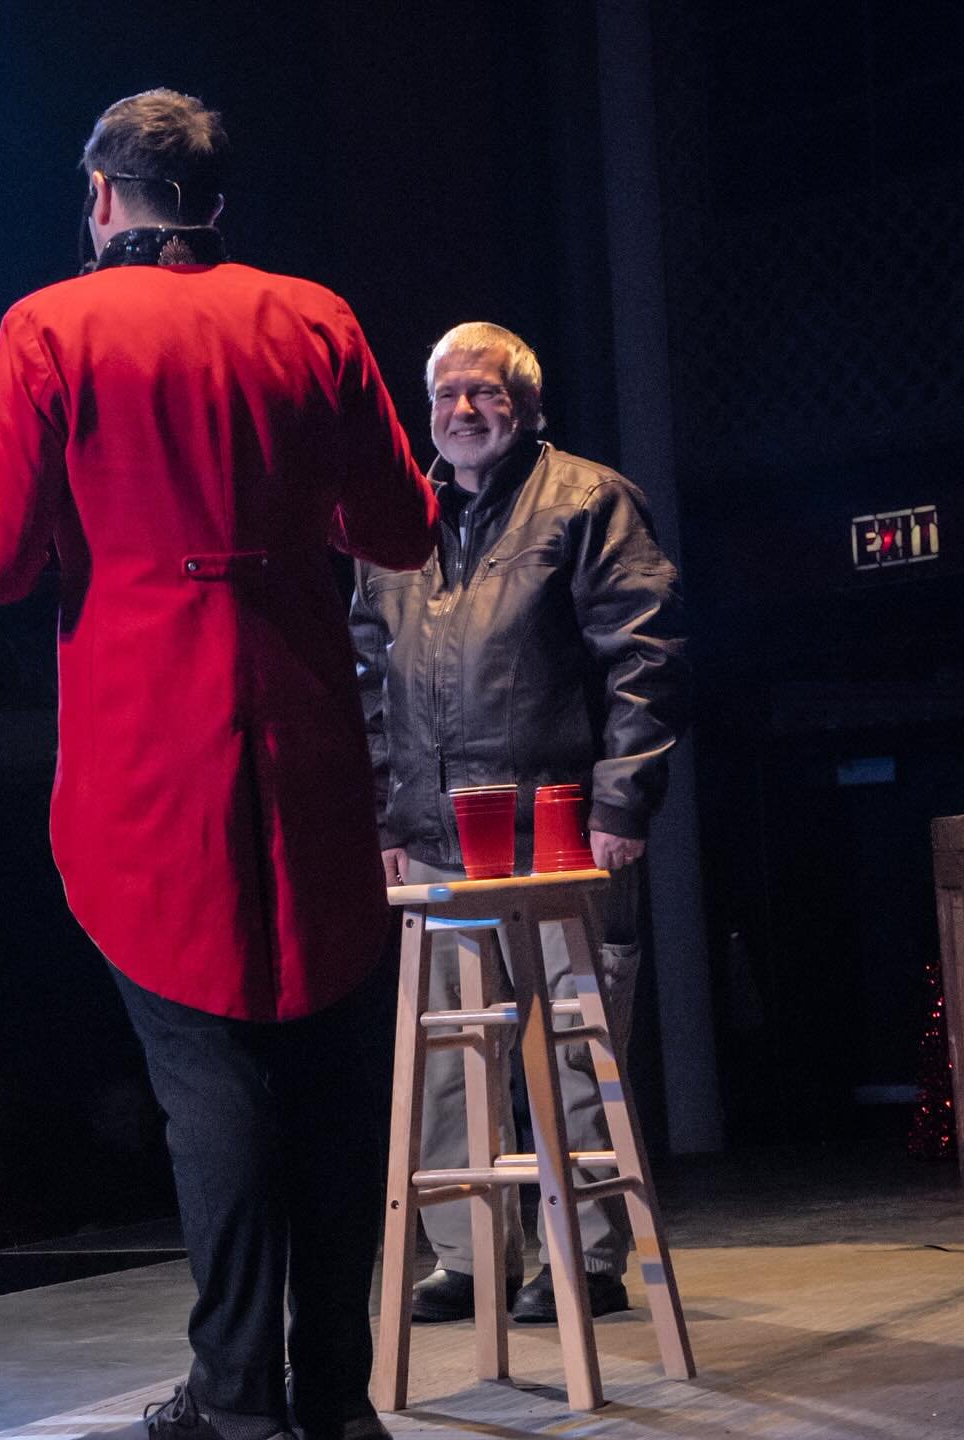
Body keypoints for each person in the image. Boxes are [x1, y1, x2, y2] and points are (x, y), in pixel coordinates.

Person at [0, 90, 437, 1440]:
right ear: (215, 201)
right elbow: (401, 531)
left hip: (149, 755)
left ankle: (238, 1399)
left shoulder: (50, 326)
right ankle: (336, 1401)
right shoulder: (317, 317)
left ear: (106, 195)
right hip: (303, 740)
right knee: (330, 1086)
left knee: (212, 1087)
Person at [349, 322, 689, 1326]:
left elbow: (646, 657)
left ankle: (583, 1252)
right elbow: (366, 682)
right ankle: (471, 1254)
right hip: (438, 833)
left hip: (557, 827)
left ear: (528, 407)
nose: (463, 411)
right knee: (457, 1057)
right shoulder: (395, 522)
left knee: (576, 1041)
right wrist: (382, 817)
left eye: (486, 393)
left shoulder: (588, 500)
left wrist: (625, 800)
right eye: (447, 394)